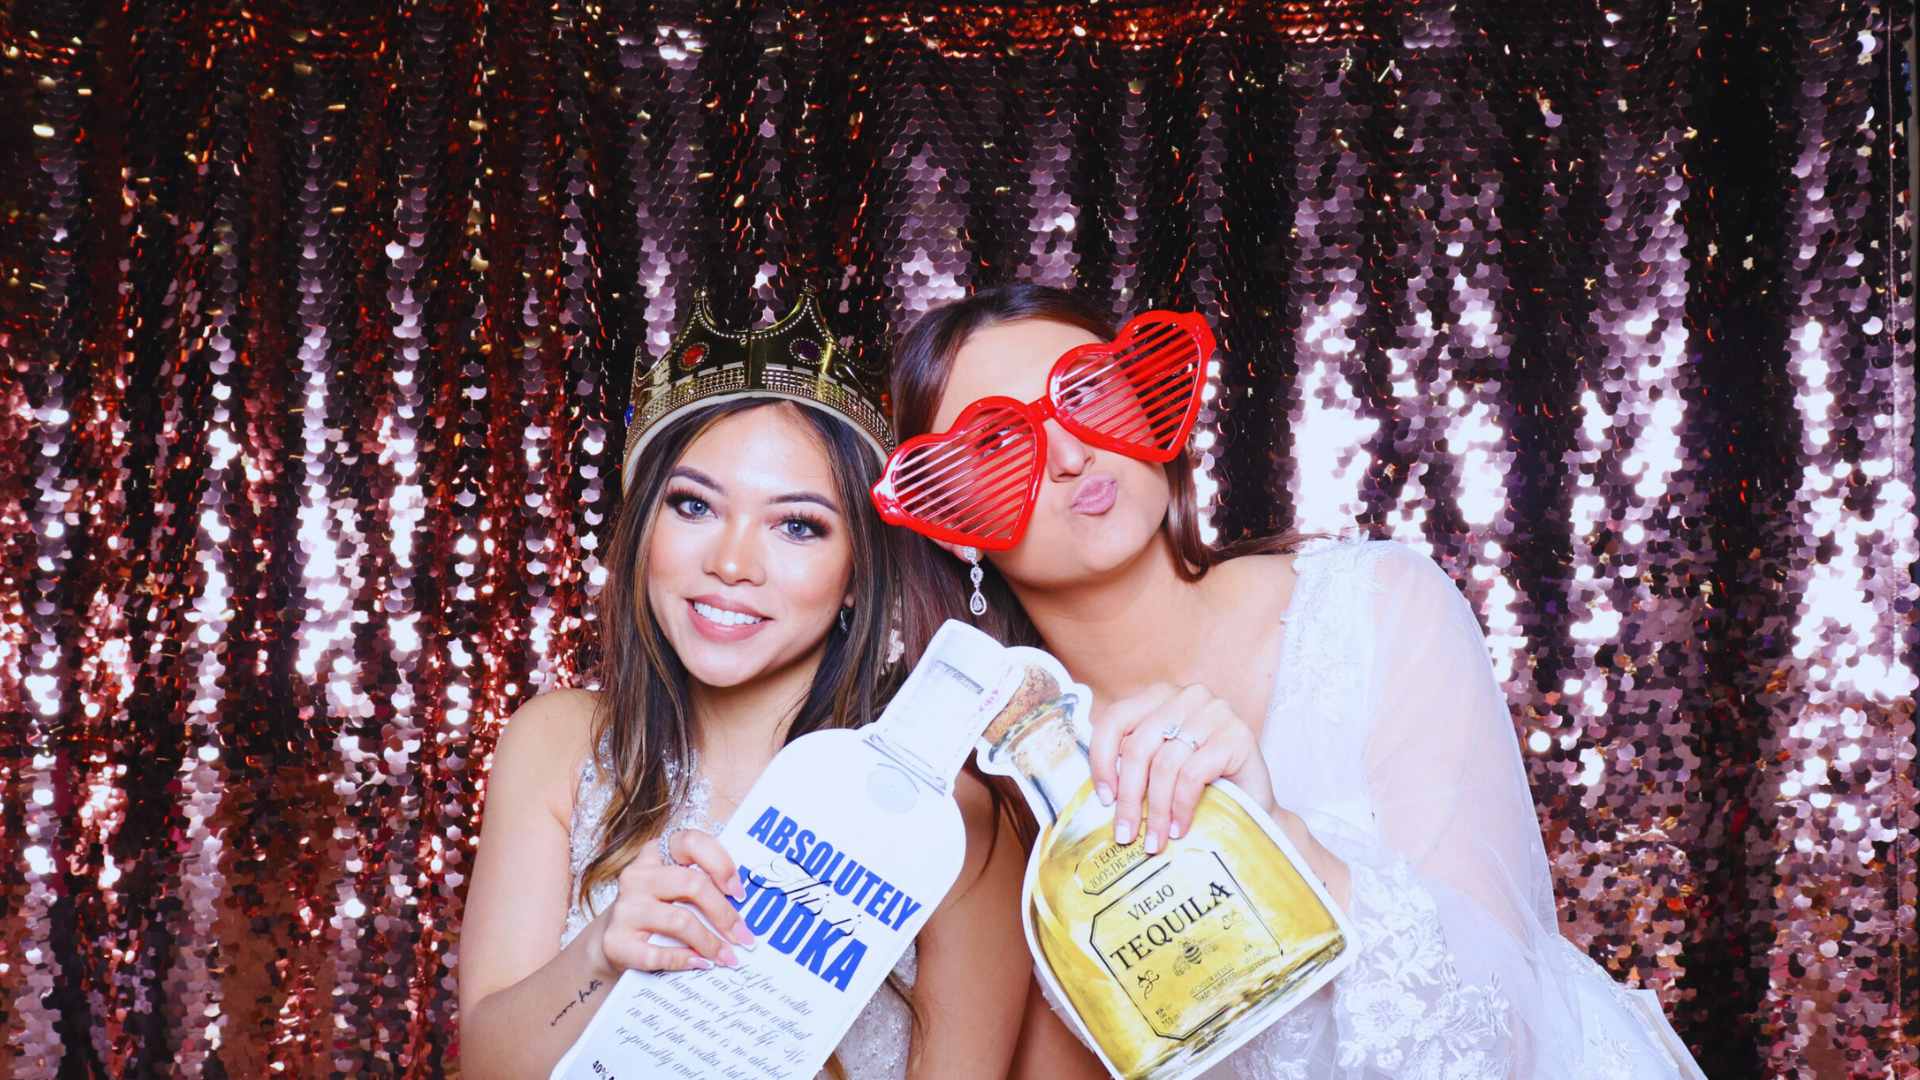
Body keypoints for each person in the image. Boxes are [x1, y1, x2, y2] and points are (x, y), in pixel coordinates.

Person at [879, 283, 1704, 1078]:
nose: (1069, 452)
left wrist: (1275, 836)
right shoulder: (1004, 787)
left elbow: (1498, 1040)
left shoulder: (1377, 608)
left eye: (1089, 393)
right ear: (951, 524)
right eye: (995, 441)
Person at [458, 291, 1030, 1079]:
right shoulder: (559, 742)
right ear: (644, 532)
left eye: (797, 525)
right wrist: (606, 954)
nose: (730, 563)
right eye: (694, 505)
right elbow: (487, 1066)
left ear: (859, 573)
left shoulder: (948, 815)